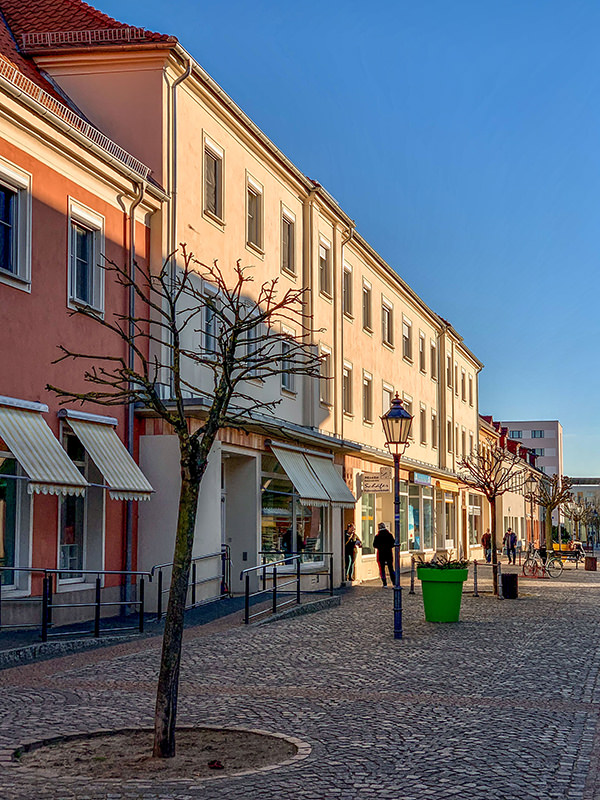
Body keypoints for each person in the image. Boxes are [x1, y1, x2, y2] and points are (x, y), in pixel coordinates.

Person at [373, 522, 395, 587]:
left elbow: (374, 545)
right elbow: (393, 543)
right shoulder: (389, 535)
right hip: (389, 554)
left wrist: (380, 547)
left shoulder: (377, 536)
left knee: (382, 569)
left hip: (381, 554)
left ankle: (384, 583)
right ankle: (394, 582)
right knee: (391, 568)